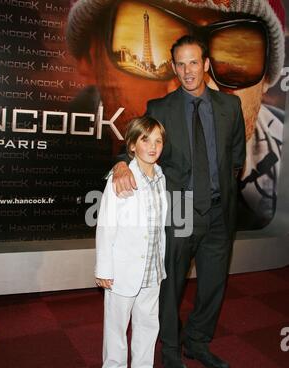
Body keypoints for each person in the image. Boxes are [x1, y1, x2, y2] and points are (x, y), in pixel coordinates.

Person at [66, 0, 285, 230]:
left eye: (235, 58)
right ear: (90, 57)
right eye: (156, 59)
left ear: (267, 79)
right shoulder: (57, 167)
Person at [112, 34, 246, 368]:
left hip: (219, 211)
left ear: (205, 65)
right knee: (170, 286)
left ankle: (198, 341)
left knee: (214, 283)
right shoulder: (161, 108)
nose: (187, 70)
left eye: (193, 63)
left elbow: (237, 159)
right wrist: (122, 165)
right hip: (182, 209)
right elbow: (135, 145)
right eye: (180, 64)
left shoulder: (230, 107)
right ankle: (170, 350)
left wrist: (219, 191)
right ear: (173, 67)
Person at [95, 116, 168, 368]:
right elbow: (106, 225)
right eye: (145, 140)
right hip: (123, 267)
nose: (153, 146)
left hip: (152, 268)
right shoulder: (122, 176)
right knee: (117, 323)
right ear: (133, 146)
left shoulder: (161, 177)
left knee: (149, 322)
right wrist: (104, 268)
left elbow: (158, 227)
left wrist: (160, 264)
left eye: (158, 140)